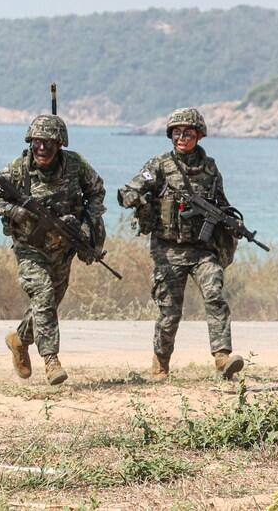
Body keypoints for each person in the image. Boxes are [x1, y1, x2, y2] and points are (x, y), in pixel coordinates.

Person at [118, 107, 244, 380]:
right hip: (168, 250)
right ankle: (161, 363)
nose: (182, 138)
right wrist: (137, 199)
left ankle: (222, 357)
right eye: (177, 132)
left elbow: (222, 203)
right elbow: (128, 191)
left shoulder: (210, 168)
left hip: (202, 250)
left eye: (188, 133)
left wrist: (231, 224)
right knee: (169, 311)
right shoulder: (160, 165)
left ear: (199, 135)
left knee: (215, 296)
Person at [0, 113, 106, 385]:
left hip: (63, 248)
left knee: (46, 305)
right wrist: (15, 211)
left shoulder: (75, 165)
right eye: (37, 142)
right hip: (29, 248)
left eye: (48, 143)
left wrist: (88, 227)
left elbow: (97, 191)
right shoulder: (18, 169)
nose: (41, 148)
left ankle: (19, 339)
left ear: (60, 143)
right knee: (43, 294)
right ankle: (51, 360)